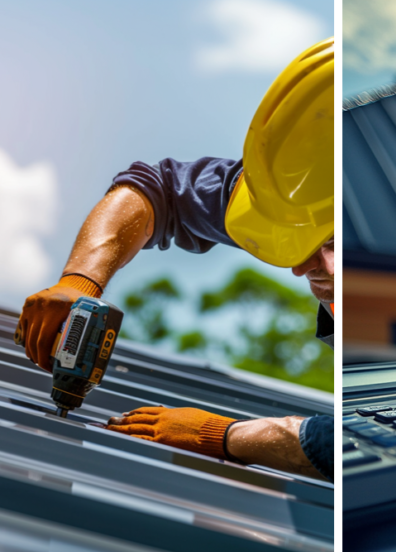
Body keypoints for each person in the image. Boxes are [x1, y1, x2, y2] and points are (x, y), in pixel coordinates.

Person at [16, 39, 334, 482]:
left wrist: (227, 436)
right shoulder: (299, 188)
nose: (306, 267)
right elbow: (157, 192)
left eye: (338, 243)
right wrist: (81, 280)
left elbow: (380, 434)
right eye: (302, 241)